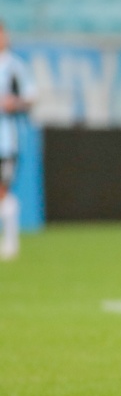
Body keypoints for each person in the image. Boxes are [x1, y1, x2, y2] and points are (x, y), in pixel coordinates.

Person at [0, 21, 36, 261]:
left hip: (6, 140)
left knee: (2, 189)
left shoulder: (15, 66)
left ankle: (11, 241)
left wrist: (15, 103)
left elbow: (32, 96)